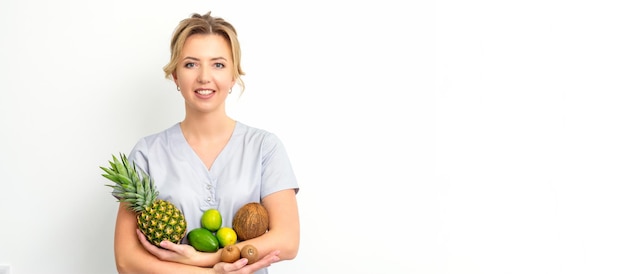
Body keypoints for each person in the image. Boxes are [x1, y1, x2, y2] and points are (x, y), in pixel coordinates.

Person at [113, 11, 300, 274]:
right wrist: (211, 273)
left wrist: (200, 259)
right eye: (191, 64)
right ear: (176, 75)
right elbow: (126, 260)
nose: (204, 77)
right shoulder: (146, 154)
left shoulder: (265, 147)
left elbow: (288, 240)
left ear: (233, 75)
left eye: (218, 64)